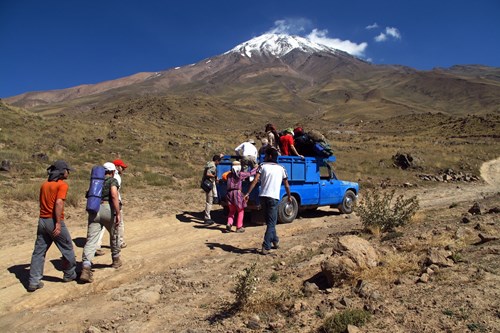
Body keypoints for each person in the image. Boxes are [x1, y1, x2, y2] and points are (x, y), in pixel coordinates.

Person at [27, 160, 77, 292]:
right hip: (53, 220)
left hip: (42, 220)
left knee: (39, 251)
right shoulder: (62, 185)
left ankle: (34, 281)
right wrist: (58, 223)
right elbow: (59, 203)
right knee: (67, 247)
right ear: (62, 172)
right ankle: (69, 274)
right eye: (67, 170)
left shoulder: (44, 185)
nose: (68, 173)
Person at [80, 162, 122, 283]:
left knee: (91, 239)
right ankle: (116, 260)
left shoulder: (96, 181)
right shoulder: (112, 181)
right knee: (114, 234)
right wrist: (118, 213)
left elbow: (88, 194)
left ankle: (86, 267)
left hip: (94, 210)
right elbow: (114, 195)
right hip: (107, 208)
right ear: (113, 172)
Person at [244, 147, 291, 255]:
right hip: (273, 198)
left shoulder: (262, 166)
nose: (264, 157)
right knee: (271, 223)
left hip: (263, 197)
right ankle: (266, 246)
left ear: (270, 156)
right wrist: (289, 196)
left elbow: (256, 180)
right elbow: (287, 185)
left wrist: (247, 193)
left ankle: (275, 240)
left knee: (270, 221)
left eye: (265, 155)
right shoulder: (282, 168)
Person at [225, 161, 256, 233]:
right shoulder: (240, 174)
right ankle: (239, 227)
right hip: (237, 193)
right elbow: (250, 173)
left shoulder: (229, 175)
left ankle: (229, 224)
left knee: (232, 211)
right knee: (240, 210)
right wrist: (257, 168)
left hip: (229, 193)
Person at [203, 154, 222, 225]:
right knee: (209, 202)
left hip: (207, 184)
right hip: (209, 185)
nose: (219, 163)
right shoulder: (212, 166)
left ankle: (207, 217)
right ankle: (207, 218)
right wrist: (215, 176)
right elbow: (208, 174)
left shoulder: (209, 163)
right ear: (216, 161)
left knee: (209, 200)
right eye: (219, 161)